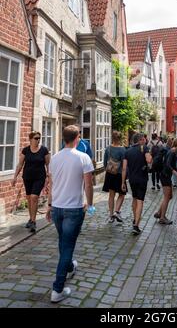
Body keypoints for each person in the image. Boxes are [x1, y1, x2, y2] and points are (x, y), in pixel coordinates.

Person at [46, 125, 95, 303]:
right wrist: (90, 204)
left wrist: (50, 205)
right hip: (74, 209)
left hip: (58, 208)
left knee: (63, 242)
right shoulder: (83, 158)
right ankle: (57, 289)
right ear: (77, 138)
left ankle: (68, 266)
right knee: (67, 246)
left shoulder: (55, 158)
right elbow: (88, 185)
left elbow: (52, 184)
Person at [12, 131, 50, 233]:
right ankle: (30, 219)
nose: (38, 140)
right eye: (36, 138)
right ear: (30, 139)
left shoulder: (44, 150)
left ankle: (33, 221)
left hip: (40, 177)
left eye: (39, 138)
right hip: (27, 177)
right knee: (29, 198)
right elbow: (20, 165)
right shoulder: (26, 150)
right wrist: (15, 177)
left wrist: (48, 177)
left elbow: (48, 165)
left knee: (34, 197)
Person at [121, 133, 152, 234]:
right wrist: (149, 156)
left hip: (132, 179)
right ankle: (136, 225)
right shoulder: (144, 148)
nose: (145, 141)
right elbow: (149, 160)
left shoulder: (127, 151)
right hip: (142, 178)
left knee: (134, 199)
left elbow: (124, 168)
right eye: (144, 139)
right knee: (140, 201)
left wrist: (123, 182)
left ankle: (135, 218)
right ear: (140, 140)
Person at [154, 138, 177, 225]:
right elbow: (168, 164)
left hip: (166, 176)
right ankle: (162, 217)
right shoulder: (172, 152)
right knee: (167, 196)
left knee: (169, 196)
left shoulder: (173, 151)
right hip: (165, 175)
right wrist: (174, 171)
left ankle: (159, 213)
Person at [102, 131, 127, 223]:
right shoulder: (123, 150)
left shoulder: (108, 148)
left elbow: (105, 163)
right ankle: (117, 211)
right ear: (120, 139)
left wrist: (108, 170)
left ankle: (111, 215)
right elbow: (124, 167)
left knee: (111, 196)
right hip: (119, 175)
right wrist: (123, 181)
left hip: (110, 174)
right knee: (122, 194)